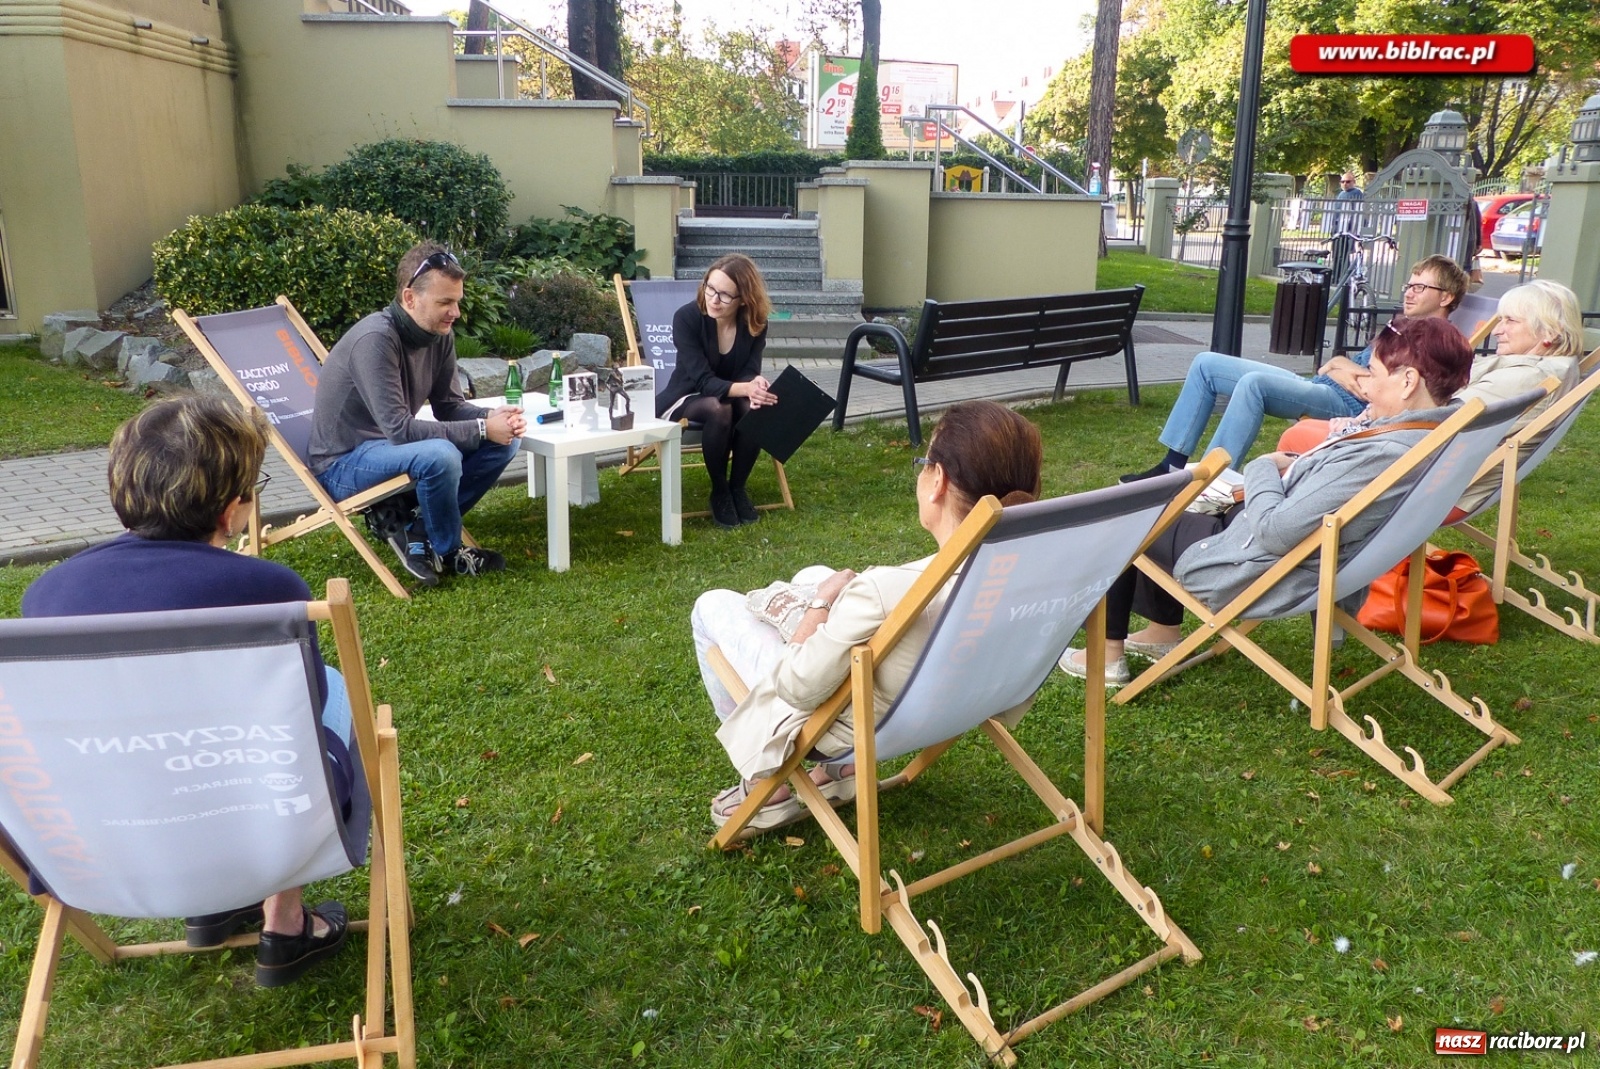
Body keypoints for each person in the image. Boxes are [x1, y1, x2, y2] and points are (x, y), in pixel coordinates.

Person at [22, 395, 355, 987]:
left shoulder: (49, 597)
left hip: (109, 828)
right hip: (243, 805)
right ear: (231, 510)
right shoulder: (270, 590)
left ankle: (212, 906)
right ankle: (284, 920)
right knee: (318, 695)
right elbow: (282, 733)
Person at [693, 400, 1043, 836]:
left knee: (711, 606)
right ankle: (837, 779)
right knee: (813, 575)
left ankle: (764, 784)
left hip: (850, 729)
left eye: (924, 462)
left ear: (938, 481)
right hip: (954, 703)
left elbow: (796, 686)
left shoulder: (887, 590)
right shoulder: (1036, 578)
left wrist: (820, 607)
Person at [1062, 316, 1473, 686]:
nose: (1364, 384)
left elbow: (1278, 532)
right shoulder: (1429, 435)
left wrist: (1264, 466)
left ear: (1408, 382)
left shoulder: (1385, 452)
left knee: (1124, 509)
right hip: (1288, 546)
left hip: (1251, 560)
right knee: (1162, 490)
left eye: (1373, 373)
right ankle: (1162, 632)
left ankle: (1106, 657)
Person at [1121, 255, 1468, 482]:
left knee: (1255, 385)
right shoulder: (1402, 325)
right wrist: (1340, 366)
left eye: (1421, 287)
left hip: (1343, 404)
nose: (1409, 293)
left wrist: (1340, 368)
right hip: (1323, 385)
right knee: (1206, 363)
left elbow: (1375, 389)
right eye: (1409, 284)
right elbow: (1335, 364)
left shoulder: (1435, 343)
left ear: (1446, 297)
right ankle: (1171, 466)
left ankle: (1211, 481)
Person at [309, 243, 524, 587]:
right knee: (441, 455)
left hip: (389, 451)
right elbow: (399, 429)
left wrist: (495, 418)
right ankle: (449, 551)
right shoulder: (375, 340)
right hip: (342, 463)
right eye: (444, 302)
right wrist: (484, 428)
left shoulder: (440, 335)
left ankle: (420, 534)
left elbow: (449, 407)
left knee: (506, 443)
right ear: (410, 298)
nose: (454, 312)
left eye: (457, 301)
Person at [1274, 279, 1585, 513]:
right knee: (1308, 430)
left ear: (1550, 333)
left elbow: (1435, 419)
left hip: (1431, 482)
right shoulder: (1542, 368)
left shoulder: (1526, 377)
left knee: (1297, 436)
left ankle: (1292, 534)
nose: (1497, 330)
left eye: (1510, 321)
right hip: (1444, 470)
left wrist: (1367, 419)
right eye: (1500, 319)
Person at [655, 253, 776, 529]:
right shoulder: (686, 318)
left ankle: (738, 487)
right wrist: (746, 386)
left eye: (724, 295)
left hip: (732, 394)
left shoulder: (755, 322)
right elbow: (703, 382)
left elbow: (749, 368)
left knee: (753, 407)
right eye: (710, 288)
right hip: (687, 396)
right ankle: (720, 490)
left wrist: (754, 384)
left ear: (744, 299)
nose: (713, 299)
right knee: (719, 408)